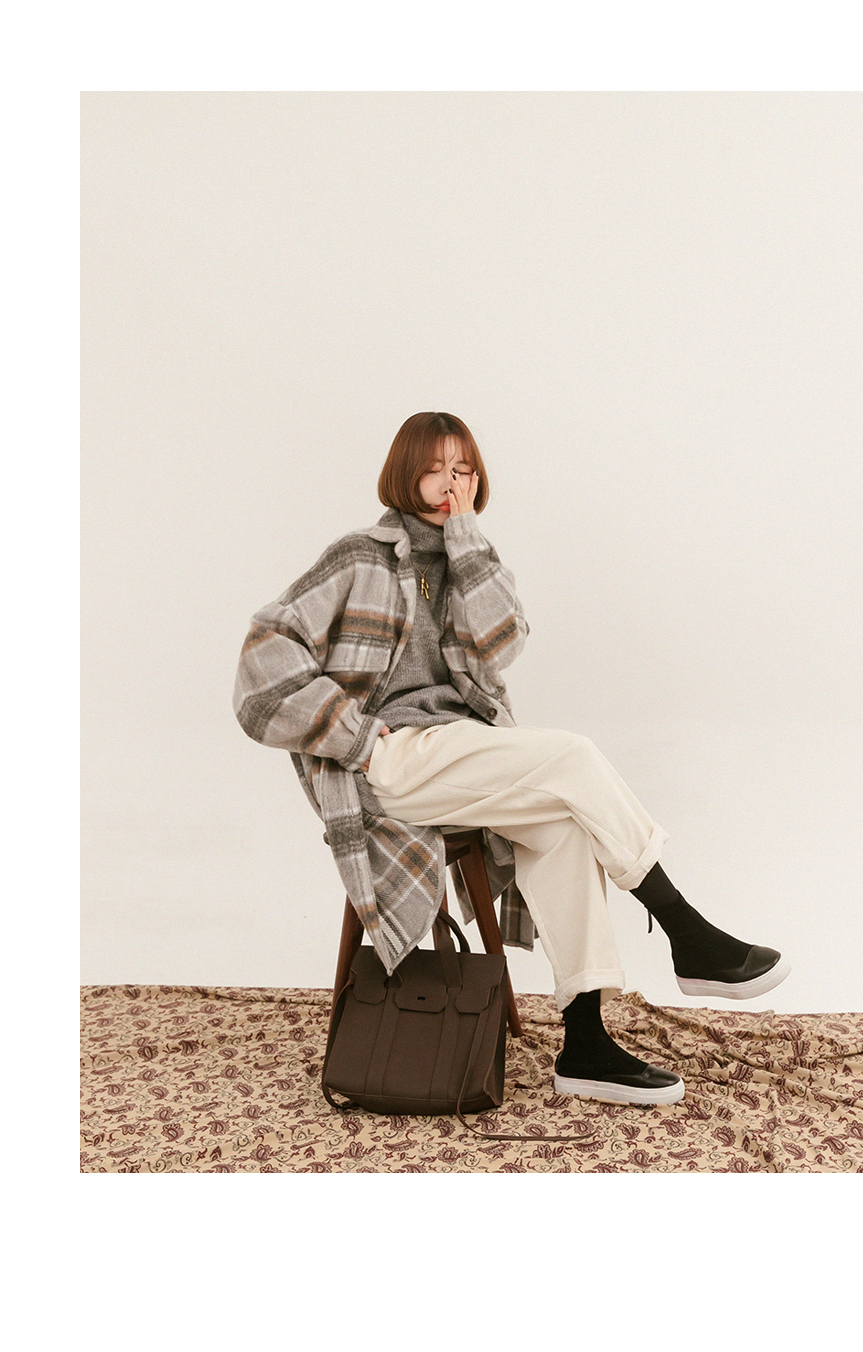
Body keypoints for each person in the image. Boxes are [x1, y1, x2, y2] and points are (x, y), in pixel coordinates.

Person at [235, 407, 789, 1111]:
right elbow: (261, 662)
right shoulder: (357, 558)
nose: (450, 484)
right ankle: (687, 931)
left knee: (562, 825)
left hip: (460, 753)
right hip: (389, 761)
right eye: (434, 469)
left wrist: (466, 539)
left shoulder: (471, 557)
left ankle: (585, 1044)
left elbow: (502, 646)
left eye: (463, 470)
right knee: (574, 756)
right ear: (404, 473)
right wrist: (358, 738)